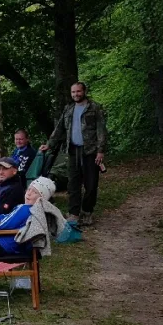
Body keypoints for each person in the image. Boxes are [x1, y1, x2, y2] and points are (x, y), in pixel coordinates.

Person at [40, 81, 108, 226]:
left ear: (84, 91)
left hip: (90, 151)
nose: (76, 94)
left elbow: (101, 130)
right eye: (73, 92)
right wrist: (49, 144)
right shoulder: (69, 109)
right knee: (73, 184)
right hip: (72, 151)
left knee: (91, 184)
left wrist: (100, 151)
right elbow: (59, 129)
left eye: (78, 91)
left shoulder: (94, 108)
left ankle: (87, 212)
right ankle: (74, 214)